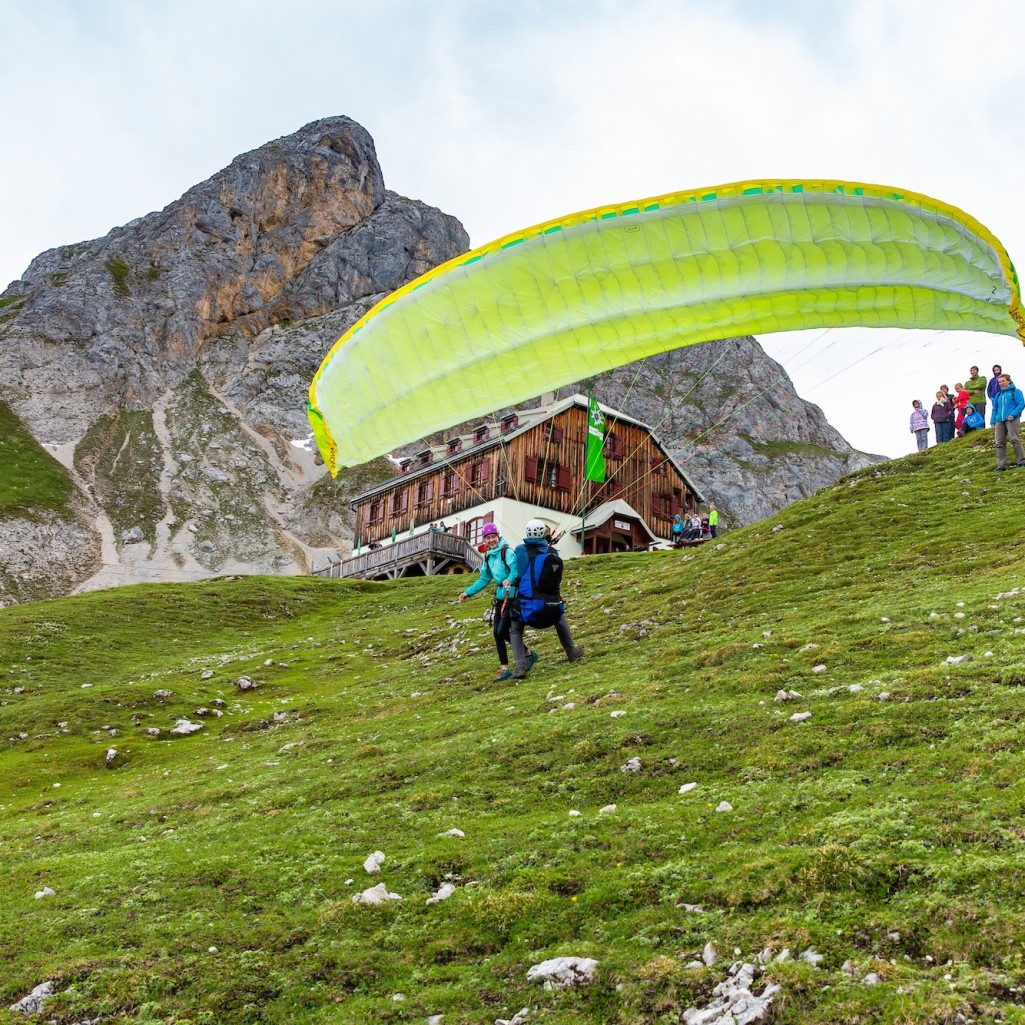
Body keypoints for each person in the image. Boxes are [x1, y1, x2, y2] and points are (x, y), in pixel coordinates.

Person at [458, 522, 533, 681]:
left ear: (498, 536)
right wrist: (468, 592)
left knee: (501, 631)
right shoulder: (488, 556)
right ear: (484, 540)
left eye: (493, 537)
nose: (491, 540)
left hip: (512, 596)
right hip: (501, 597)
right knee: (497, 633)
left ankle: (528, 654)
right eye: (487, 538)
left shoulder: (507, 552)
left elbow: (515, 569)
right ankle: (505, 668)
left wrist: (509, 580)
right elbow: (484, 578)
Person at [509, 519, 583, 679]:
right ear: (544, 533)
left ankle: (520, 667)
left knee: (515, 628)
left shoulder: (521, 550)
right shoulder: (553, 552)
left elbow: (518, 574)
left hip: (530, 609)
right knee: (560, 617)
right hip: (552, 607)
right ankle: (572, 651)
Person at [989, 373, 1025, 472]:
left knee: (1014, 439)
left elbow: (1021, 404)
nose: (1001, 383)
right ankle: (1002, 465)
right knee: (999, 442)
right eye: (999, 382)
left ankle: (1021, 462)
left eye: (1003, 381)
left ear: (1008, 381)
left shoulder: (1016, 391)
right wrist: (992, 421)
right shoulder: (998, 395)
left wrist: (1013, 414)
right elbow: (995, 408)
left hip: (1012, 419)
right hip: (999, 420)